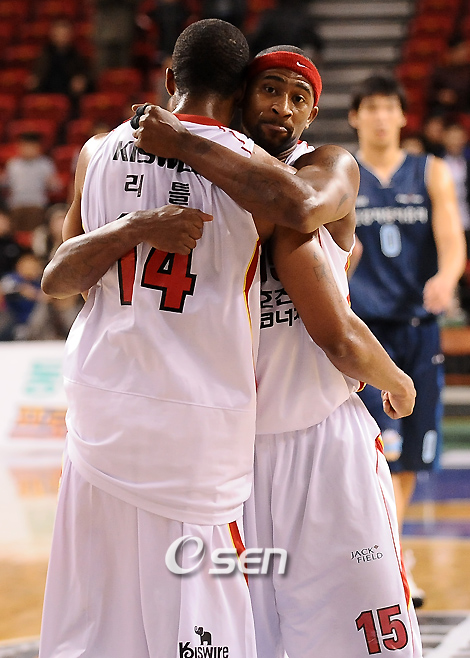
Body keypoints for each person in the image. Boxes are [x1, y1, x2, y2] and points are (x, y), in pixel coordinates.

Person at [39, 20, 348, 658]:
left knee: (96, 615)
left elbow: (59, 280)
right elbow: (304, 215)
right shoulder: (256, 173)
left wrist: (129, 227)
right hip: (197, 423)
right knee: (203, 616)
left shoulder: (96, 152)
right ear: (240, 95)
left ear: (169, 77)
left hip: (99, 410)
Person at [130, 47, 421, 657]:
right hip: (227, 457)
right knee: (243, 642)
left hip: (322, 444)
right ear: (240, 95)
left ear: (312, 114)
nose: (282, 107)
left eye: (298, 98)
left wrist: (182, 141)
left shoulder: (328, 164)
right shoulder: (191, 182)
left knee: (365, 638)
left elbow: (301, 207)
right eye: (269, 90)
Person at [348, 73, 467, 607]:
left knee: (411, 458)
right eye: (370, 107)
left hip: (418, 329)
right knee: (377, 453)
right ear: (355, 116)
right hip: (364, 333)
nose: (379, 116)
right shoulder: (342, 171)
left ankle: (390, 555)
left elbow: (451, 238)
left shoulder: (430, 171)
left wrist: (447, 276)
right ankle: (392, 564)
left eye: (387, 107)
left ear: (401, 116)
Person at [1, 133, 62, 248]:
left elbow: (56, 186)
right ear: (19, 147)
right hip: (16, 208)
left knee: (36, 234)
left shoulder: (45, 164)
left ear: (38, 148)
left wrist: (52, 183)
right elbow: (4, 184)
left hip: (37, 207)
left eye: (31, 147)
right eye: (25, 146)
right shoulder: (13, 164)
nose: (28, 150)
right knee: (12, 233)